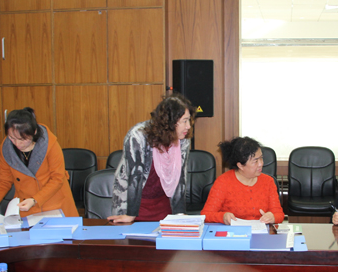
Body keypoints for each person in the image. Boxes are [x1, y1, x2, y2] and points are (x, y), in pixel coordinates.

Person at [109, 94, 195, 223]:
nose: (188, 126)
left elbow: (180, 177)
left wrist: (179, 213)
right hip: (134, 204)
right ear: (170, 121)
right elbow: (135, 176)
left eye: (189, 120)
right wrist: (131, 214)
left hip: (163, 203)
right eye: (184, 121)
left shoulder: (183, 139)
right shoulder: (138, 136)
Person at [0, 108, 77, 218]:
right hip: (27, 207)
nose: (17, 144)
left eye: (22, 139)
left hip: (56, 204)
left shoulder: (49, 143)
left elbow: (57, 178)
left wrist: (35, 200)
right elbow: (3, 180)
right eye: (12, 138)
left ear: (34, 132)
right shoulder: (6, 148)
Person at [200, 137, 284, 225]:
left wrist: (273, 217)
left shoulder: (268, 181)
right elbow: (206, 215)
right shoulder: (223, 182)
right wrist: (222, 217)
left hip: (261, 231)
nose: (261, 163)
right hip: (233, 232)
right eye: (255, 161)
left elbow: (279, 214)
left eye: (261, 158)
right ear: (240, 165)